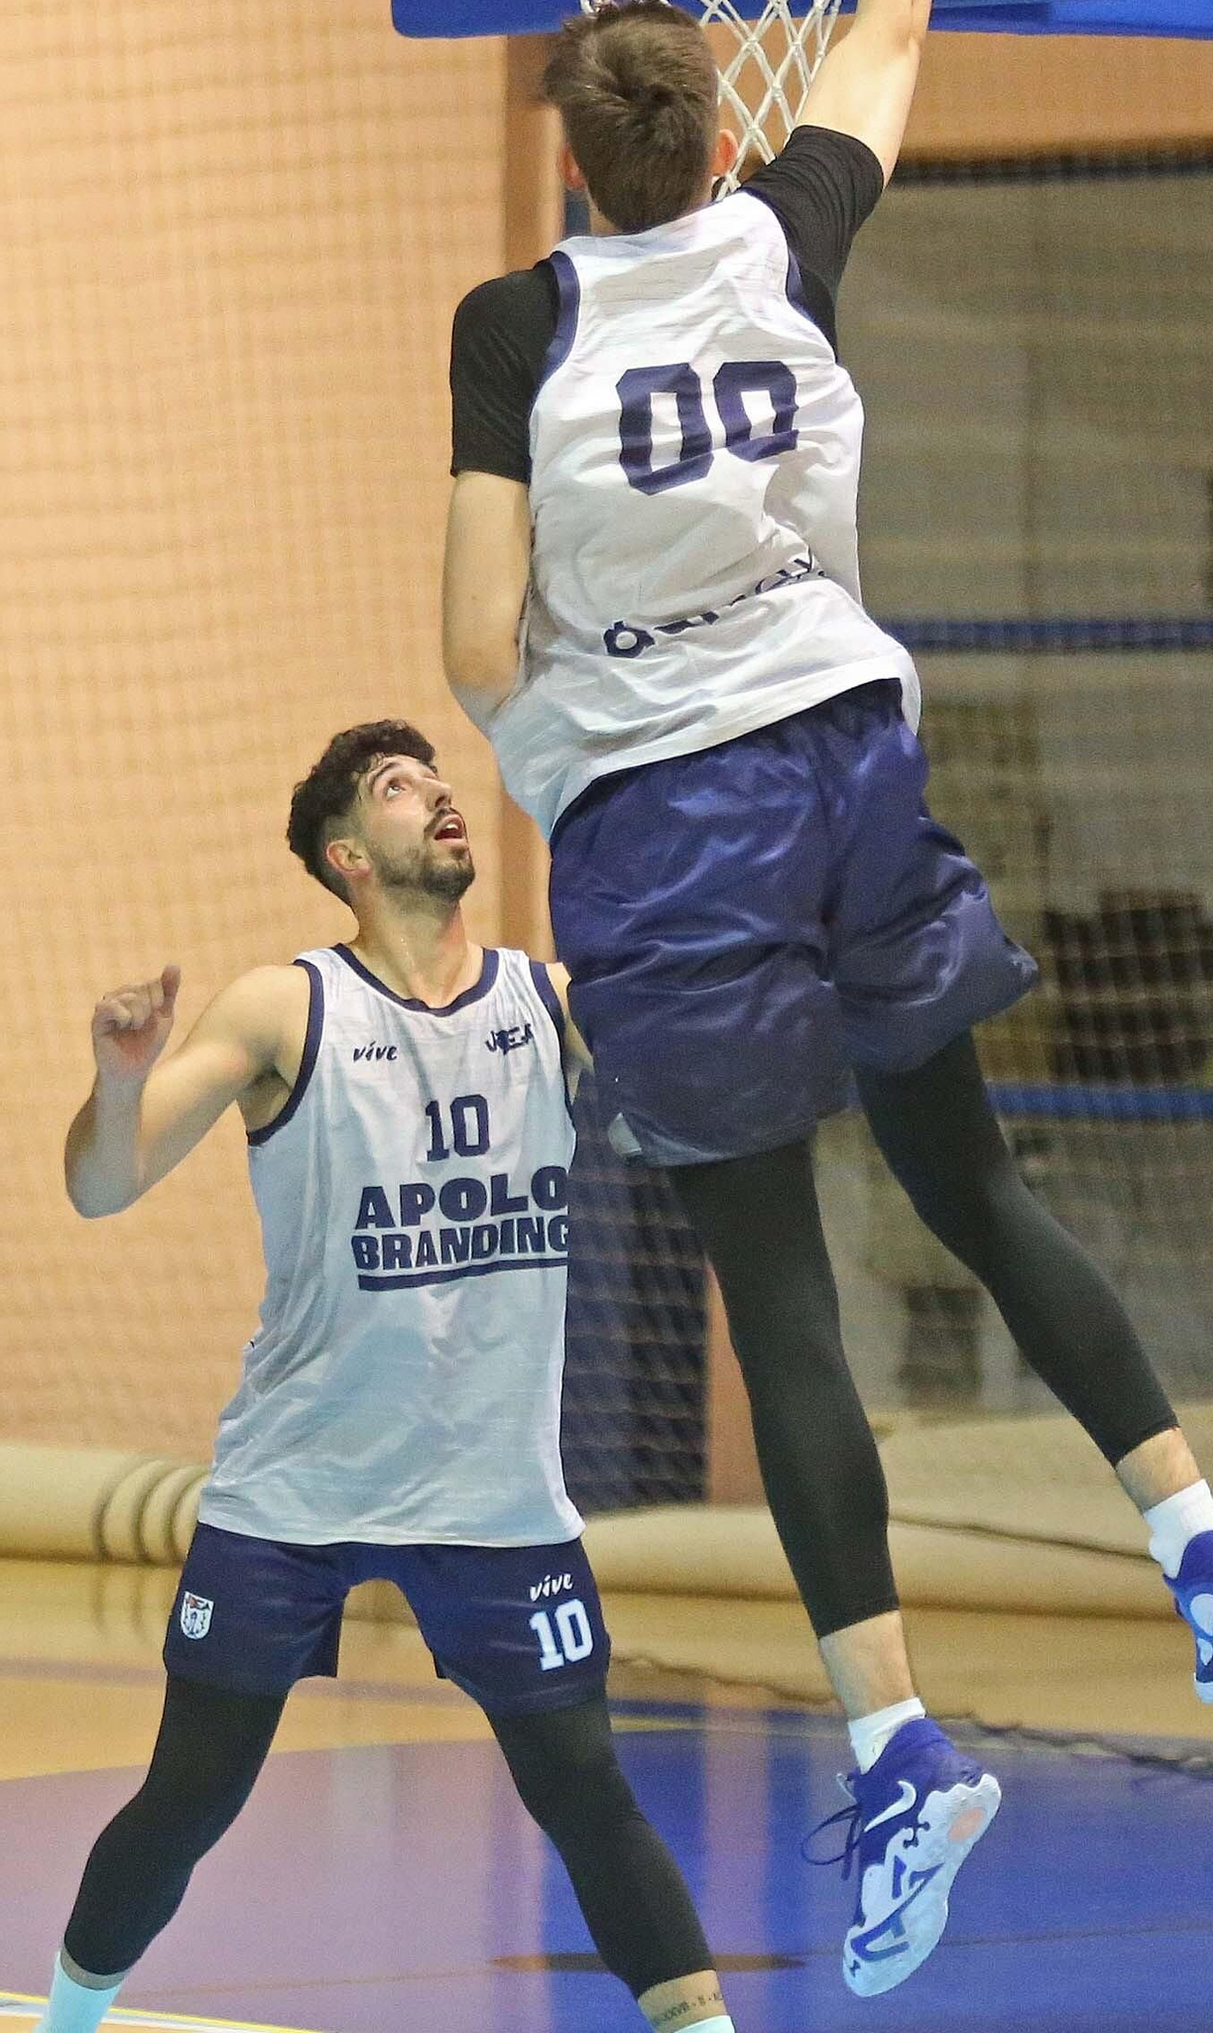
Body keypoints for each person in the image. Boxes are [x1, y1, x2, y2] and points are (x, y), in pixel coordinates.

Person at [442, 0, 1213, 1996]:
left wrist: (577, 698)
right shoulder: (786, 237)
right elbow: (895, 13)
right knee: (970, 1177)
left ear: (567, 160)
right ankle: (1204, 1536)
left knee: (783, 1303)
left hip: (676, 833)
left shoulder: (514, 333)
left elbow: (467, 640)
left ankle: (899, 1741)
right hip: (851, 759)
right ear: (717, 131)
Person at [46, 721, 735, 2033]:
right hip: (295, 1488)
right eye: (398, 787)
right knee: (189, 1799)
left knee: (588, 1789)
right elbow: (101, 1186)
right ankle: (68, 2019)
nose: (439, 797)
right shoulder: (284, 1007)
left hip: (495, 1498)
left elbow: (695, 1103)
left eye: (436, 776)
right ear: (347, 855)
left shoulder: (552, 1003)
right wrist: (116, 1083)